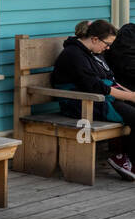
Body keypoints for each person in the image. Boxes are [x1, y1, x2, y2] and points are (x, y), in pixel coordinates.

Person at [54, 19, 135, 180]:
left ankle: (126, 158)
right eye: (107, 44)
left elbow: (110, 79)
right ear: (95, 39)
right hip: (80, 102)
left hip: (100, 98)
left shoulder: (94, 53)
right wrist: (131, 96)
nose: (108, 48)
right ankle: (125, 160)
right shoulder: (73, 55)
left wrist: (131, 93)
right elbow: (95, 86)